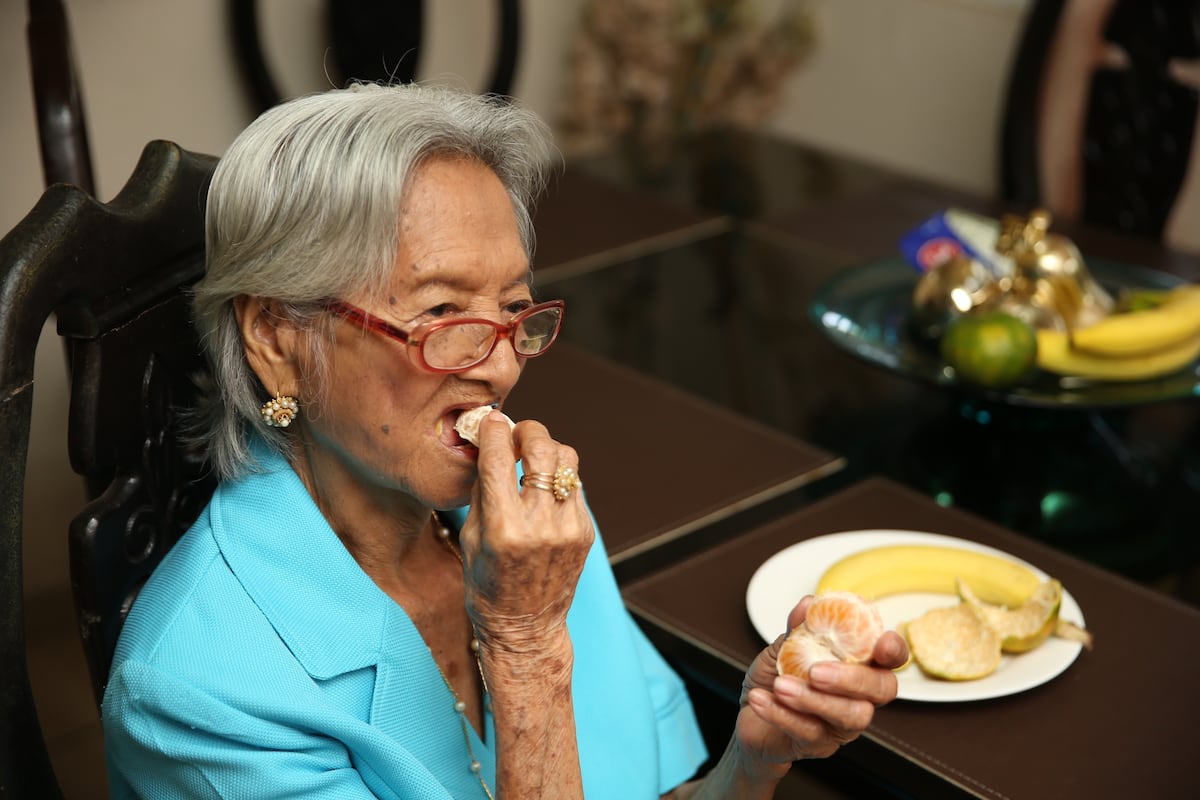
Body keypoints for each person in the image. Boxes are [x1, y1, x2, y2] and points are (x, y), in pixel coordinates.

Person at [101, 82, 907, 799]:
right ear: (277, 338)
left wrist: (753, 763)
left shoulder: (531, 517)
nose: (498, 368)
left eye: (515, 313)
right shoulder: (199, 696)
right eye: (443, 312)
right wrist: (525, 650)